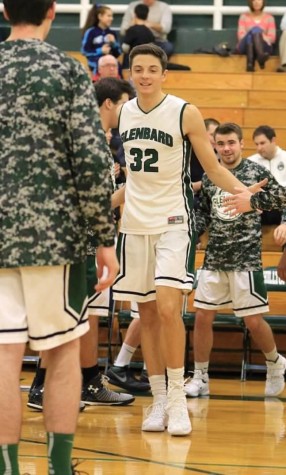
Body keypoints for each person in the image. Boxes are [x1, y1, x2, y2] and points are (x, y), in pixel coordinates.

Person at [111, 44, 264, 437]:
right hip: (134, 223)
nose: (144, 75)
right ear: (131, 73)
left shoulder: (184, 112)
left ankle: (178, 400)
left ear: (165, 74)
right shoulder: (124, 113)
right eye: (138, 69)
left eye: (151, 69)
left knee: (167, 307)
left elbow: (212, 167)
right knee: (144, 315)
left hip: (175, 221)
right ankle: (159, 399)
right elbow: (132, 179)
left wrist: (248, 194)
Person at [0, 1, 119, 474]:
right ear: (52, 12)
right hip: (55, 237)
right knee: (63, 350)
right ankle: (59, 467)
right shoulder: (67, 72)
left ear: (6, 11)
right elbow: (91, 160)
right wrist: (103, 236)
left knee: (3, 352)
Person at [28, 78, 137, 412]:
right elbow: (98, 202)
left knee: (87, 314)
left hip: (88, 239)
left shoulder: (98, 140)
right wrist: (137, 184)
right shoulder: (86, 139)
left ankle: (89, 382)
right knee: (68, 315)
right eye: (123, 103)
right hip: (75, 241)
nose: (128, 110)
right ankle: (40, 388)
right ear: (108, 104)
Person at [184, 122, 286, 399]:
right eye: (221, 143)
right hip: (214, 257)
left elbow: (282, 198)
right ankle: (201, 376)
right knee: (202, 317)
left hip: (246, 259)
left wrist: (256, 201)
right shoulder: (209, 176)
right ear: (214, 146)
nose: (226, 148)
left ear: (242, 144)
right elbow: (204, 212)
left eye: (232, 143)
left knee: (253, 322)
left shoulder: (256, 172)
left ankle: (275, 363)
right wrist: (191, 230)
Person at [248, 125, 286, 224]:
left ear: (273, 140)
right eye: (256, 144)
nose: (259, 148)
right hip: (261, 206)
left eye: (262, 143)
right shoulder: (251, 162)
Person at [81, 4, 121, 76]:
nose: (111, 18)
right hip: (94, 65)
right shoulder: (91, 32)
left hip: (110, 64)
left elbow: (117, 54)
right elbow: (85, 51)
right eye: (108, 16)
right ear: (100, 16)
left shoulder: (112, 33)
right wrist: (100, 51)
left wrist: (114, 44)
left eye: (112, 16)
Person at [236, 0, 276, 72]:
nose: (256, 2)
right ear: (250, 2)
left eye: (259, 0)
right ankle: (260, 57)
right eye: (254, 0)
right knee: (255, 31)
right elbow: (241, 36)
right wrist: (256, 33)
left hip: (264, 47)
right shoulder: (243, 17)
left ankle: (250, 64)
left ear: (263, 2)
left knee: (253, 34)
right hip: (245, 46)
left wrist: (259, 36)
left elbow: (272, 38)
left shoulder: (269, 18)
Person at [191, 118, 220, 210]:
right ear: (202, 134)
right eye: (212, 135)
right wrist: (204, 183)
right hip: (195, 199)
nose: (215, 139)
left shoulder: (221, 154)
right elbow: (180, 188)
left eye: (217, 136)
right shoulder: (187, 156)